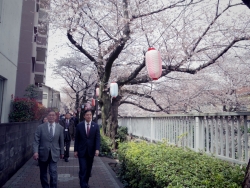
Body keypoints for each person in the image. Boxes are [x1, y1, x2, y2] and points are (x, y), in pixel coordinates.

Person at [33, 110, 64, 188]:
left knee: (53, 172)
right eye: (49, 115)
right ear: (47, 116)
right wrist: (35, 152)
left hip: (54, 153)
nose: (51, 116)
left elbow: (61, 141)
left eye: (53, 115)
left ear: (56, 117)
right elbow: (36, 141)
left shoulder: (60, 128)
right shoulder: (40, 127)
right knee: (43, 173)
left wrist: (62, 152)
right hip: (43, 153)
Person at [74, 109, 100, 188]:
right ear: (84, 116)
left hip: (91, 151)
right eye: (87, 115)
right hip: (81, 151)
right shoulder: (79, 126)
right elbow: (77, 139)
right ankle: (83, 185)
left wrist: (97, 149)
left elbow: (97, 138)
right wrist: (75, 150)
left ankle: (86, 182)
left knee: (88, 170)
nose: (89, 116)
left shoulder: (95, 126)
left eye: (90, 115)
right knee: (83, 168)